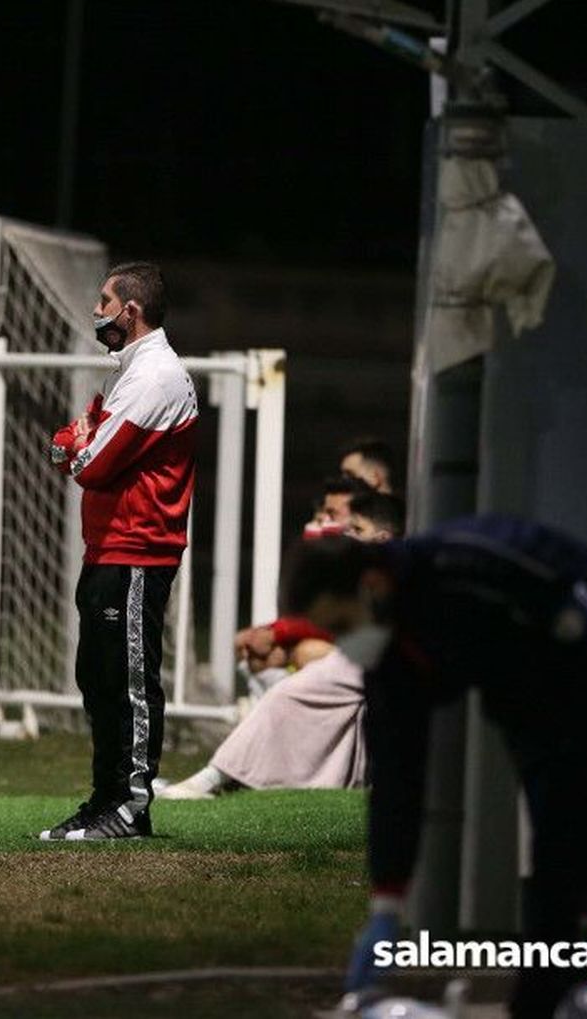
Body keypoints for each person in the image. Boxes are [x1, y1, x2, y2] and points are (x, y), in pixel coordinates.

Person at [297, 516, 587, 1018]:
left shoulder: (468, 565)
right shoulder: (392, 654)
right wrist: (386, 903)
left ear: (372, 586)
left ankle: (574, 996)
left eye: (341, 626)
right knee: (560, 860)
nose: (344, 643)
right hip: (528, 700)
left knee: (572, 857)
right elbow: (397, 781)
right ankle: (556, 997)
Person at [39, 261, 198, 842]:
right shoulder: (128, 371)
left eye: (104, 302)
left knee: (128, 682)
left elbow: (91, 463)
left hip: (138, 550)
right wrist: (77, 445)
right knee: (99, 679)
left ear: (130, 311)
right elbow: (68, 445)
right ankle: (104, 800)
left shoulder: (155, 375)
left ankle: (130, 806)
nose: (97, 313)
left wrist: (79, 446)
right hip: (107, 549)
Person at [156, 495, 403, 800]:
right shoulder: (380, 570)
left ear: (382, 537)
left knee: (291, 690)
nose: (346, 533)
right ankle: (239, 775)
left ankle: (217, 775)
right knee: (294, 679)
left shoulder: (404, 573)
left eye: (357, 528)